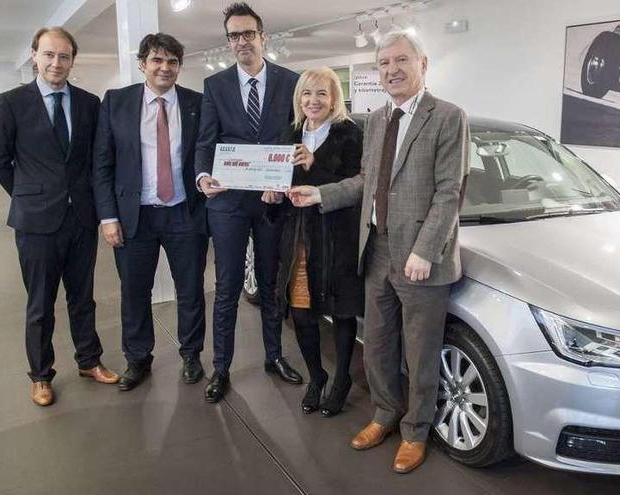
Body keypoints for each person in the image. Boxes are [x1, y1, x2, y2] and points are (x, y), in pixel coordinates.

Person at [288, 32, 469, 473]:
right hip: (376, 249)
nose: (392, 70)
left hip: (421, 258)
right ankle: (385, 414)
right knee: (379, 346)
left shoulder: (447, 116)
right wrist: (319, 194)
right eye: (384, 63)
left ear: (422, 63)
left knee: (420, 351)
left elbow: (450, 192)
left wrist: (426, 250)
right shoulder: (377, 119)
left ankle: (416, 431)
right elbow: (365, 183)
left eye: (401, 60)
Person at [0, 27, 119, 407]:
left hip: (81, 218)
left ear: (72, 60)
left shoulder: (88, 103)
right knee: (40, 303)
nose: (56, 63)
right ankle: (41, 375)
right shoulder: (11, 102)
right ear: (34, 56)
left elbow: (97, 160)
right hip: (36, 222)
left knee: (84, 298)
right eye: (48, 55)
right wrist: (29, 194)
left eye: (63, 56)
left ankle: (89, 360)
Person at [194, 2, 301, 404]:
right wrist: (203, 176)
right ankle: (221, 368)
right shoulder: (216, 86)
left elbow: (297, 141)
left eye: (248, 33)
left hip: (273, 200)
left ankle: (274, 356)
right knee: (226, 288)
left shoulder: (290, 82)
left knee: (272, 285)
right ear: (229, 42)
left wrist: (287, 181)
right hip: (228, 203)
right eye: (234, 35)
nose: (242, 41)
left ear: (262, 36)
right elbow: (206, 141)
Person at [92, 33, 207, 391]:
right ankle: (138, 359)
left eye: (172, 62)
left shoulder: (196, 103)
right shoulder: (116, 102)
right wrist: (108, 216)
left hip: (183, 213)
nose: (165, 68)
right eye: (157, 60)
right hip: (133, 215)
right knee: (134, 292)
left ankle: (191, 354)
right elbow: (102, 164)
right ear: (143, 63)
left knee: (190, 290)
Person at [262, 68, 363, 417]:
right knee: (302, 313)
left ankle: (342, 380)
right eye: (307, 94)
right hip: (298, 239)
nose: (313, 101)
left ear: (334, 97)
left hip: (336, 239)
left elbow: (355, 188)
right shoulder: (288, 133)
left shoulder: (350, 134)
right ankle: (317, 376)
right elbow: (279, 185)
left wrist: (315, 166)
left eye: (321, 93)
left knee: (341, 311)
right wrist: (272, 198)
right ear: (298, 98)